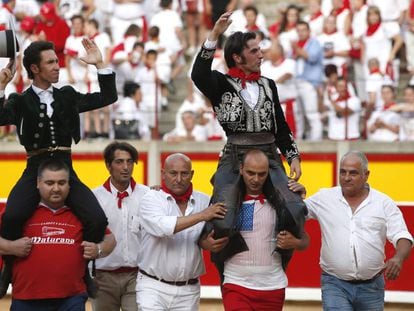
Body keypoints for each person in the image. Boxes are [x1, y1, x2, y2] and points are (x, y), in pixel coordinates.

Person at [0, 38, 118, 296]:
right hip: (35, 168)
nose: (57, 66)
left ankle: (85, 271)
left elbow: (108, 96)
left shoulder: (67, 95)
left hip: (65, 167)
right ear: (34, 68)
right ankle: (8, 269)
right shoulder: (19, 100)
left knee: (96, 219)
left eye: (57, 61)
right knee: (10, 217)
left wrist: (99, 64)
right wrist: (0, 88)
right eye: (50, 62)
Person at [191, 11, 306, 270]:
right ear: (237, 57)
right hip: (235, 155)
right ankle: (228, 269)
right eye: (254, 51)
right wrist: (214, 35)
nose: (261, 54)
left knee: (294, 209)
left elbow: (280, 123)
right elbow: (198, 74)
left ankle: (275, 259)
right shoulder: (220, 83)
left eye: (260, 49)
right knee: (222, 218)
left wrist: (293, 156)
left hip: (269, 154)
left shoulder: (269, 84)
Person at [289, 151, 413, 311]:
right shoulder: (325, 198)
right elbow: (297, 212)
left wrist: (398, 258)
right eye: (343, 172)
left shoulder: (383, 203)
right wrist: (295, 196)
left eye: (353, 173)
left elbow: (402, 235)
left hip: (372, 286)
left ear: (366, 175)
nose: (346, 178)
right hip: (335, 284)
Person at [201, 149, 309, 310]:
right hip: (236, 284)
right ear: (241, 169)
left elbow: (305, 240)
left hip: (272, 286)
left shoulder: (282, 204)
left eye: (261, 174)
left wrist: (295, 242)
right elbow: (203, 237)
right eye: (251, 173)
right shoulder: (226, 203)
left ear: (268, 174)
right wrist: (206, 244)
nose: (256, 179)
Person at [10, 158, 116, 310]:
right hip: (27, 299)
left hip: (71, 298)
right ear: (38, 183)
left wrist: (98, 250)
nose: (56, 188)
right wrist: (10, 247)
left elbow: (111, 239)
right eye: (49, 183)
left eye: (61, 183)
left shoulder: (81, 213)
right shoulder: (22, 213)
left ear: (69, 184)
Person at [137, 153, 228, 310]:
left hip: (188, 290)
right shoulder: (151, 198)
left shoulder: (204, 201)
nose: (178, 179)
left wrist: (207, 243)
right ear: (163, 174)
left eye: (184, 173)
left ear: (192, 174)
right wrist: (202, 215)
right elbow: (162, 227)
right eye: (173, 173)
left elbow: (204, 237)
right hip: (153, 287)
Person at [92, 142, 149, 311]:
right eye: (119, 162)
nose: (125, 167)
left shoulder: (148, 196)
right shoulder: (94, 198)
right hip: (103, 278)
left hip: (137, 276)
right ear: (108, 166)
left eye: (129, 162)